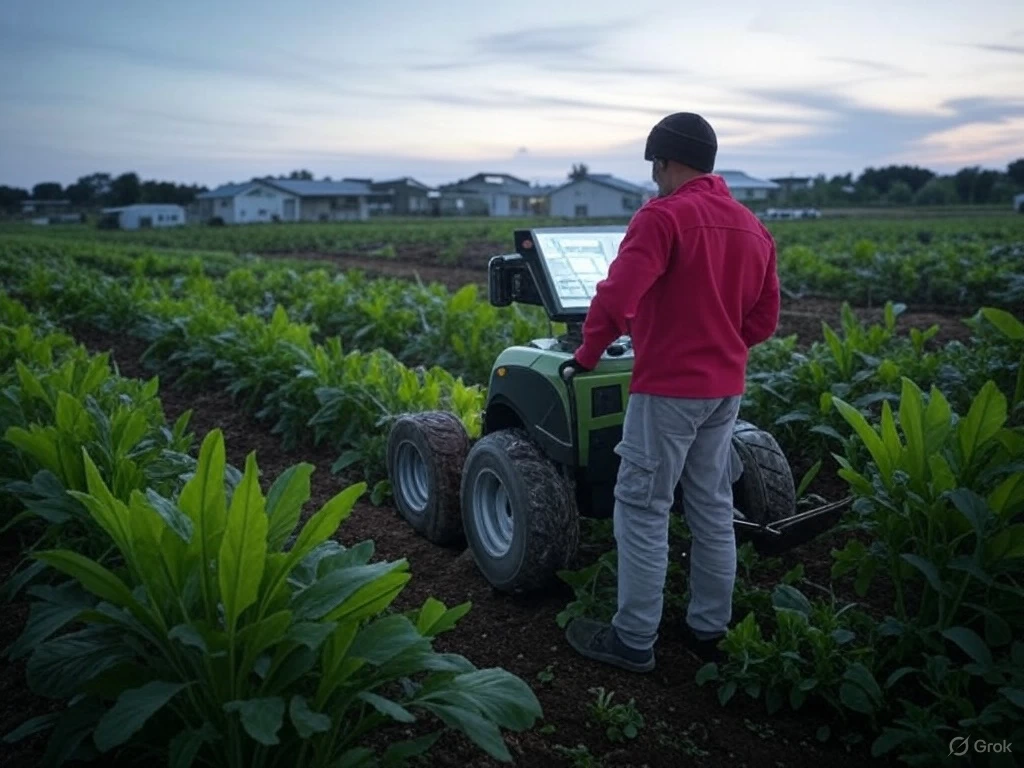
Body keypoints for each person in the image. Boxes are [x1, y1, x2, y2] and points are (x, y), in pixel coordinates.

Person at [559, 112, 780, 672]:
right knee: (711, 504)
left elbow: (614, 297)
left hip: (667, 391)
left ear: (663, 162)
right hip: (723, 390)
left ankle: (633, 639)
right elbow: (763, 320)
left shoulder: (662, 218)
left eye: (655, 167)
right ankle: (709, 628)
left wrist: (585, 357)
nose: (654, 178)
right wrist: (721, 346)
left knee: (641, 504)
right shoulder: (752, 227)